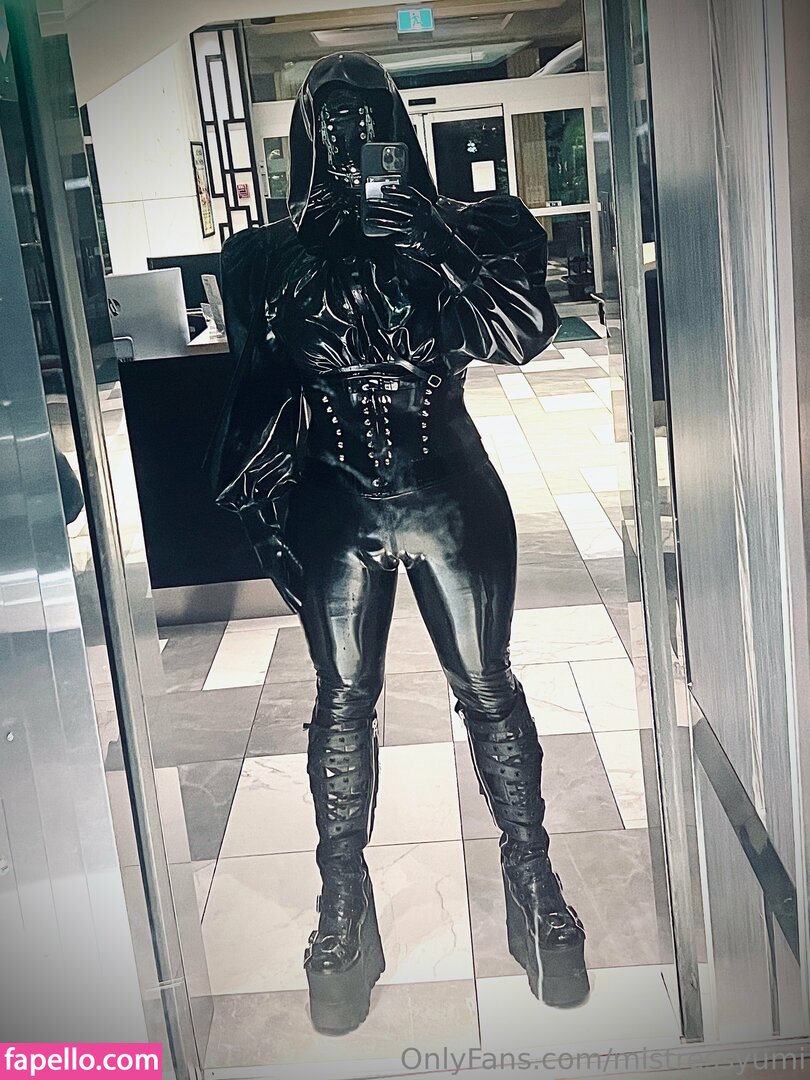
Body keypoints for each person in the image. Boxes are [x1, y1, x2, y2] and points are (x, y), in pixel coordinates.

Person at [206, 51, 589, 1034]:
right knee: (341, 701)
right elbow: (256, 392)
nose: (347, 140)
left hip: (450, 485)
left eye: (363, 117)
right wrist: (262, 517)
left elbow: (523, 335)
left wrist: (438, 243)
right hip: (333, 500)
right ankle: (342, 903)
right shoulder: (264, 256)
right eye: (327, 122)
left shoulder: (476, 225)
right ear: (306, 135)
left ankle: (535, 879)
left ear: (395, 125)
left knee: (487, 685)